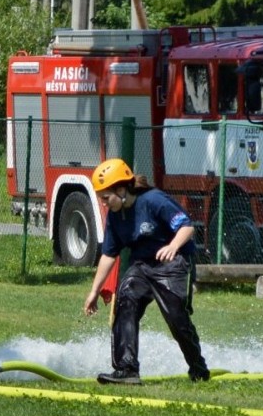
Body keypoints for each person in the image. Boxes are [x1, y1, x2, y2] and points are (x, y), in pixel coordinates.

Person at [83, 158, 211, 385]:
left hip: (172, 263)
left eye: (106, 197)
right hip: (142, 265)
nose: (103, 203)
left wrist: (172, 246)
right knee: (126, 297)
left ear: (121, 189)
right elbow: (108, 255)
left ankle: (198, 368)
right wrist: (94, 291)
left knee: (176, 317)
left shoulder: (154, 201)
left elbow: (187, 226)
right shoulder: (115, 215)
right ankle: (126, 369)